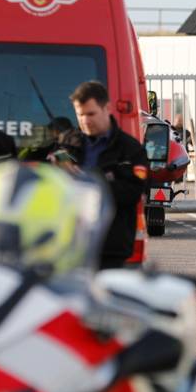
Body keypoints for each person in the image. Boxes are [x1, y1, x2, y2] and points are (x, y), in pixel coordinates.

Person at [53, 81, 149, 270]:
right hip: (72, 245)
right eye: (80, 115)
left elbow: (135, 191)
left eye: (91, 114)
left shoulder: (129, 149)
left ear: (107, 108)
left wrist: (93, 182)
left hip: (111, 247)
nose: (85, 121)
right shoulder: (68, 144)